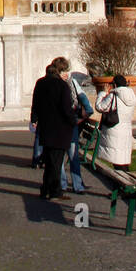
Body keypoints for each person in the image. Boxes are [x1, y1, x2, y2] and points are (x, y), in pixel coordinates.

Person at [30, 56, 80, 199]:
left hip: (46, 127)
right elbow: (66, 109)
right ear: (61, 71)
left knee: (50, 160)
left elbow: (36, 103)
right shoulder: (61, 86)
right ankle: (54, 191)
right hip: (60, 129)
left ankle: (46, 189)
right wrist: (73, 121)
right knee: (56, 163)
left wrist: (34, 119)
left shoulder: (41, 83)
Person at [95, 73, 136, 169]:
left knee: (116, 159)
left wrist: (102, 93)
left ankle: (123, 181)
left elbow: (100, 107)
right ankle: (125, 178)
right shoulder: (132, 95)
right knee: (123, 159)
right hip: (126, 129)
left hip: (114, 129)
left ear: (114, 84)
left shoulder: (114, 95)